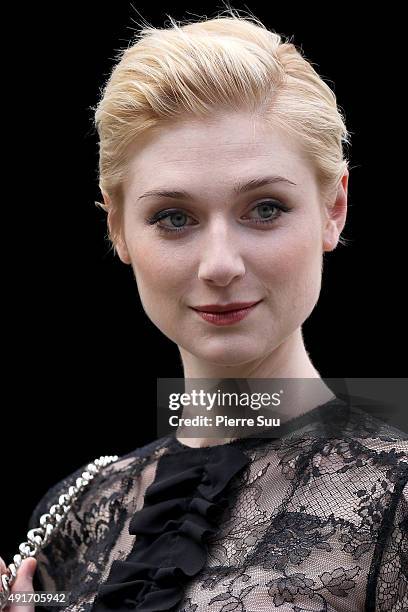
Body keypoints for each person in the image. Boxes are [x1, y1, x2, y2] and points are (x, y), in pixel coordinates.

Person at [1, 6, 407, 612]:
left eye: (265, 208)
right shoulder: (78, 512)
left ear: (334, 208)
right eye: (174, 218)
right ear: (118, 229)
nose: (220, 264)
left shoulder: (397, 499)